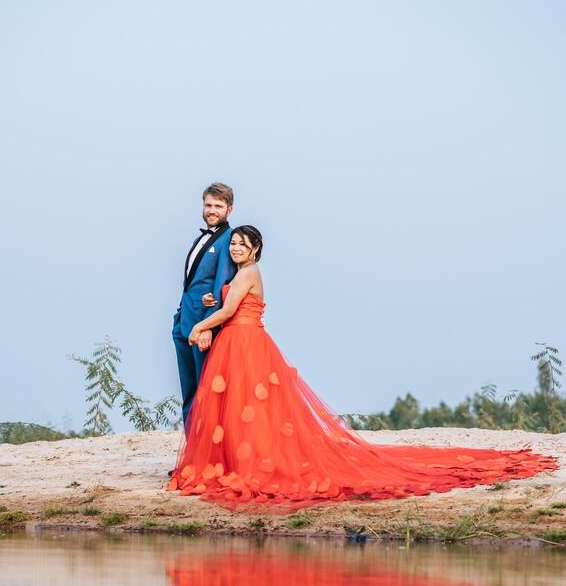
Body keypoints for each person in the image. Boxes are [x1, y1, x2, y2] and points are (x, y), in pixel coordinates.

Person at [168, 226, 558, 508]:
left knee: (248, 408)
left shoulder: (249, 273)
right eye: (233, 243)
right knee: (239, 409)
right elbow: (229, 304)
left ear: (255, 250)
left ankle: (249, 463)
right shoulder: (238, 274)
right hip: (237, 342)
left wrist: (201, 325)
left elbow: (234, 308)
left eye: (242, 244)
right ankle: (238, 459)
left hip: (246, 343)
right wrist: (209, 310)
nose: (236, 248)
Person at [172, 182, 236, 427]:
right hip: (183, 326)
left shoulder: (229, 239)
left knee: (206, 392)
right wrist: (178, 318)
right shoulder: (199, 238)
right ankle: (190, 459)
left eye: (218, 206)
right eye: (208, 204)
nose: (212, 210)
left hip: (203, 329)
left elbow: (222, 284)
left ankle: (207, 459)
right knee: (189, 393)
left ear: (229, 210)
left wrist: (208, 326)